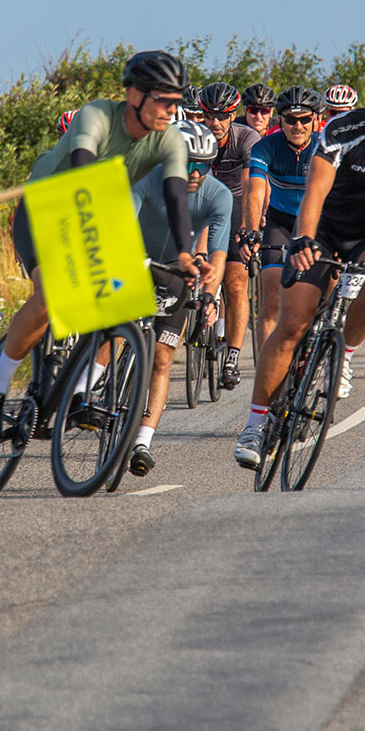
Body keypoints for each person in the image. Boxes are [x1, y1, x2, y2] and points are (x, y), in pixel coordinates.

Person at [234, 56, 365, 468]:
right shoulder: (343, 129)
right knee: (292, 324)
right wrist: (303, 238)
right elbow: (315, 191)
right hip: (324, 229)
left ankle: (344, 353)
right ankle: (256, 423)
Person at [0, 50, 197, 440]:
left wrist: (184, 253)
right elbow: (82, 166)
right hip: (48, 203)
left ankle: (80, 393)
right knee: (50, 297)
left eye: (176, 101)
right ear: (134, 95)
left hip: (98, 209)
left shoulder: (170, 140)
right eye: (163, 100)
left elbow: (177, 195)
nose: (170, 110)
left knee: (124, 304)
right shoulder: (97, 115)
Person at [128, 119, 231, 475]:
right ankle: (87, 388)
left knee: (162, 356)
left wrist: (210, 296)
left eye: (204, 166)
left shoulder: (218, 194)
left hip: (175, 268)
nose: (195, 173)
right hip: (134, 257)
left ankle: (143, 441)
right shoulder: (148, 175)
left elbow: (217, 254)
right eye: (189, 164)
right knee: (115, 336)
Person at [237, 86, 324, 374]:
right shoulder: (265, 147)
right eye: (290, 119)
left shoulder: (325, 146)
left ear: (315, 119)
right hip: (281, 221)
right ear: (280, 120)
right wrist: (251, 231)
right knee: (271, 292)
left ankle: (320, 345)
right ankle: (268, 371)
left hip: (318, 222)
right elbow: (255, 192)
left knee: (326, 289)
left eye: (304, 119)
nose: (297, 126)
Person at [197, 82, 261, 389]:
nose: (216, 122)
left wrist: (247, 230)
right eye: (210, 115)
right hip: (204, 204)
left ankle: (232, 357)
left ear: (233, 115)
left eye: (223, 116)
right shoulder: (195, 137)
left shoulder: (246, 138)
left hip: (237, 205)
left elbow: (250, 188)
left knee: (236, 284)